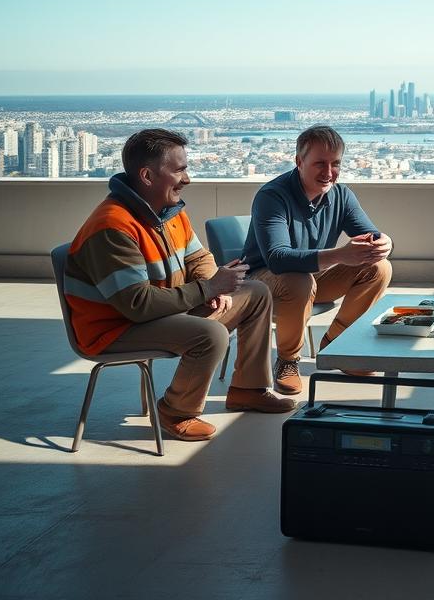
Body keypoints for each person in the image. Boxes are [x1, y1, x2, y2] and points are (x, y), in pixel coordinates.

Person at [66, 129, 295, 442]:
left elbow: (199, 257)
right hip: (116, 329)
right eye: (179, 170)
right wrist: (208, 289)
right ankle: (175, 411)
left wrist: (211, 286)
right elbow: (138, 306)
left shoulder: (169, 212)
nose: (187, 178)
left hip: (163, 311)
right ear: (147, 176)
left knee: (255, 293)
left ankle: (248, 390)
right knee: (210, 335)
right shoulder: (112, 228)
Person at [243, 125, 393, 394]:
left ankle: (337, 345)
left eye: (335, 163)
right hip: (263, 283)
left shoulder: (341, 195)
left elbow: (370, 237)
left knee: (379, 267)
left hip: (310, 278)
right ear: (299, 162)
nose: (328, 172)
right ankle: (287, 361)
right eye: (319, 163)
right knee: (299, 281)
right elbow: (277, 259)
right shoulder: (272, 196)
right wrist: (340, 255)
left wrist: (385, 243)